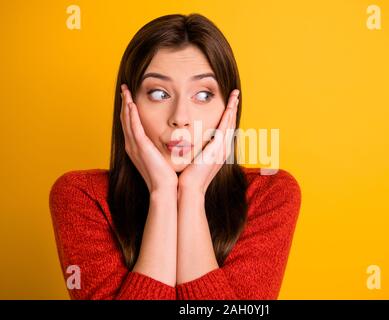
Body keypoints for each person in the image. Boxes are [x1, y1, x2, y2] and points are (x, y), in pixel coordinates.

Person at [49, 13, 302, 300]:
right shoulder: (80, 196)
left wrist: (192, 193)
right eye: (158, 93)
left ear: (229, 108)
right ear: (127, 105)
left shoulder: (271, 193)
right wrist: (163, 193)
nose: (180, 118)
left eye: (204, 95)